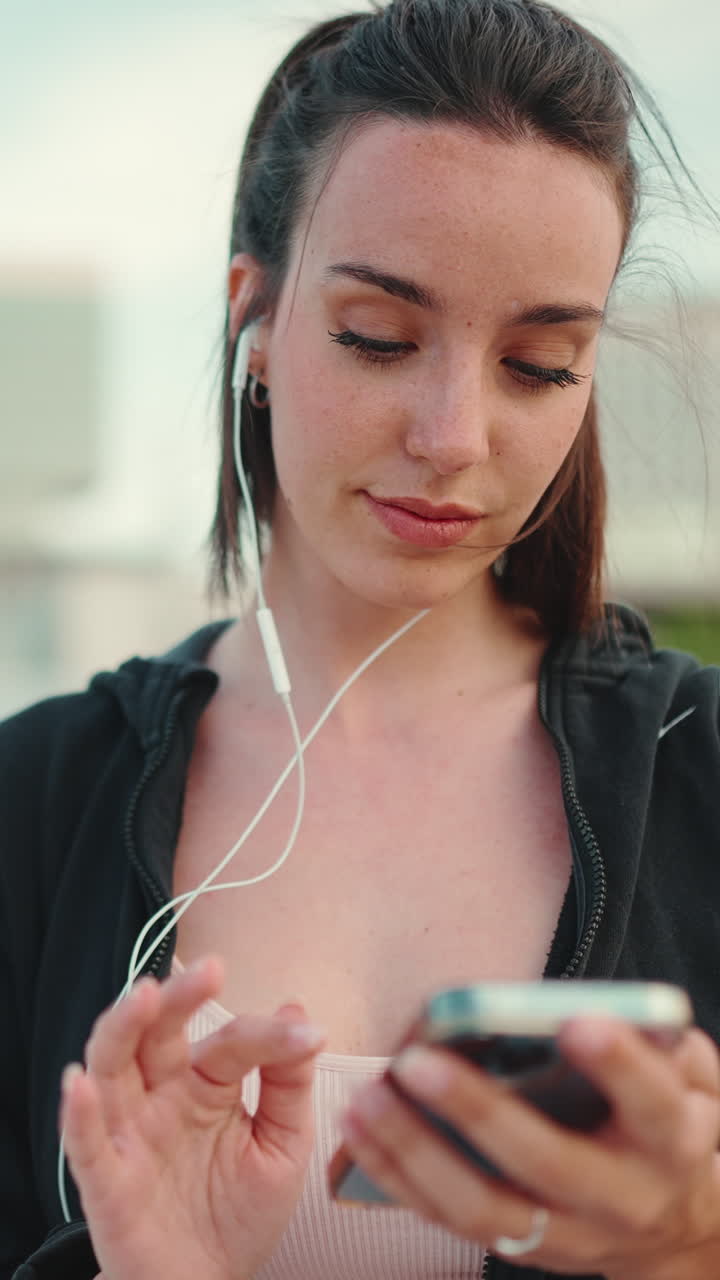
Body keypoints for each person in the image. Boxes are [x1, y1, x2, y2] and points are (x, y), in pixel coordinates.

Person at [2, 1, 720, 1277]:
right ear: (257, 322)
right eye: (379, 337)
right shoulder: (33, 802)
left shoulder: (703, 765)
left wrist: (688, 1244)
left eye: (541, 364)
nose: (454, 434)